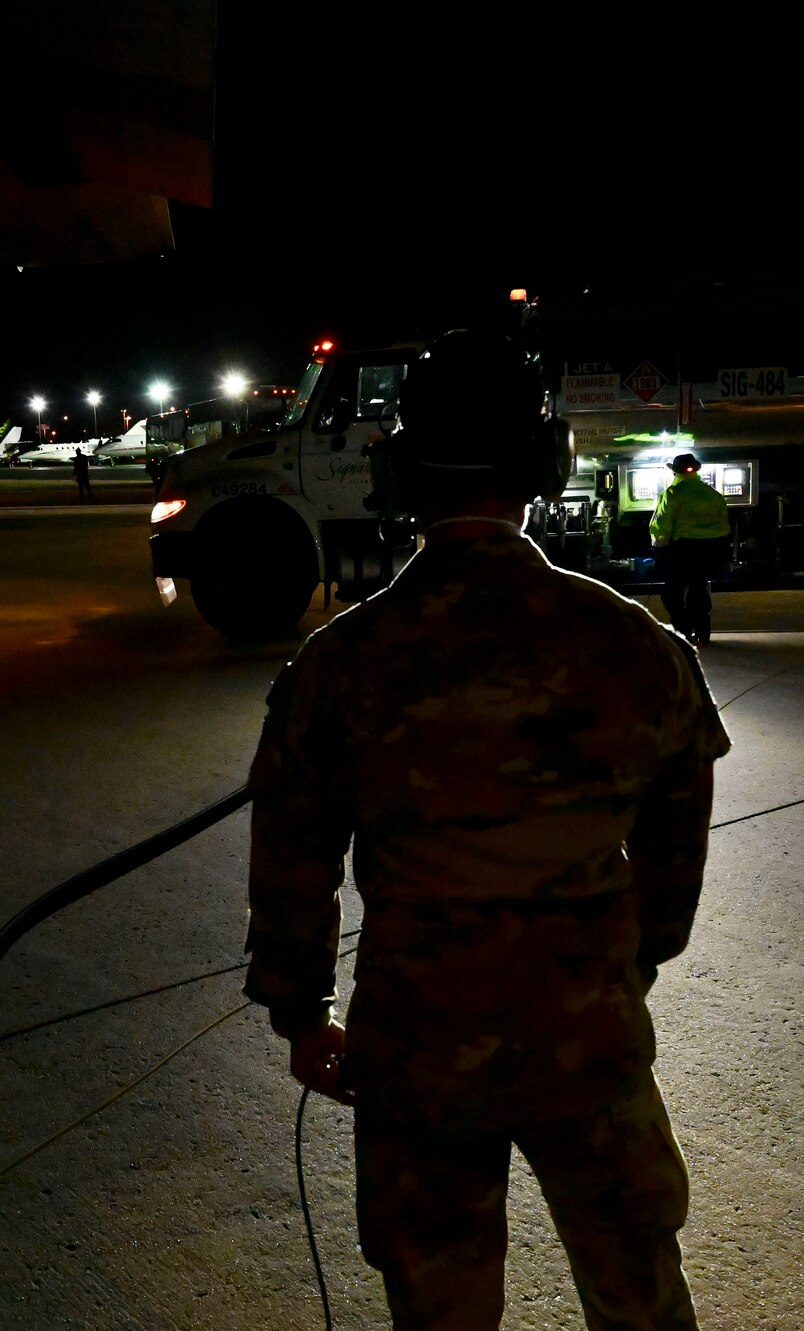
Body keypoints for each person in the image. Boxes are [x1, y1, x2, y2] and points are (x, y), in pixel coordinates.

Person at [244, 330, 730, 1330]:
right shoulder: (634, 646)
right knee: (638, 1291)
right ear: (542, 467)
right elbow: (674, 860)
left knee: (438, 1301)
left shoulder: (339, 663)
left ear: (398, 471)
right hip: (587, 1043)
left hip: (416, 1052)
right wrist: (615, 969)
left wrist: (300, 1016)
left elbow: (291, 859)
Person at [648, 454, 731, 645]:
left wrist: (658, 549)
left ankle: (682, 631)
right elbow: (724, 524)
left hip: (683, 549)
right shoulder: (712, 494)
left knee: (672, 593)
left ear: (675, 471)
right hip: (711, 549)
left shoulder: (673, 493)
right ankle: (703, 631)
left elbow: (662, 525)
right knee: (698, 588)